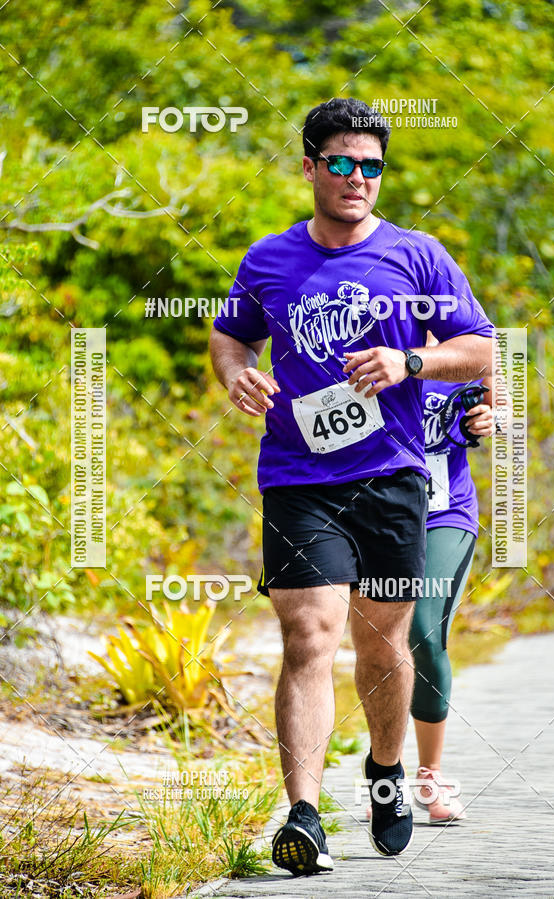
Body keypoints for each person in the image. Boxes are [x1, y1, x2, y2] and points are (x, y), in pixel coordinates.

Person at [209, 97, 495, 876]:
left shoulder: (418, 256)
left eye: (371, 166)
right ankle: (303, 815)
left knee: (383, 644)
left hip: (393, 477)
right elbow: (231, 334)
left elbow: (481, 349)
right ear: (310, 166)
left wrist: (412, 362)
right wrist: (237, 373)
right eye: (341, 162)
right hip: (298, 475)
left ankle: (385, 769)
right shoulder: (269, 258)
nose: (357, 177)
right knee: (309, 635)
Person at [411, 333, 495, 824]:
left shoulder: (464, 345)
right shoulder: (360, 340)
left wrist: (491, 417)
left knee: (424, 630)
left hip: (445, 510)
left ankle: (431, 775)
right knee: (380, 644)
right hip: (376, 513)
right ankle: (382, 772)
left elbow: (500, 404)